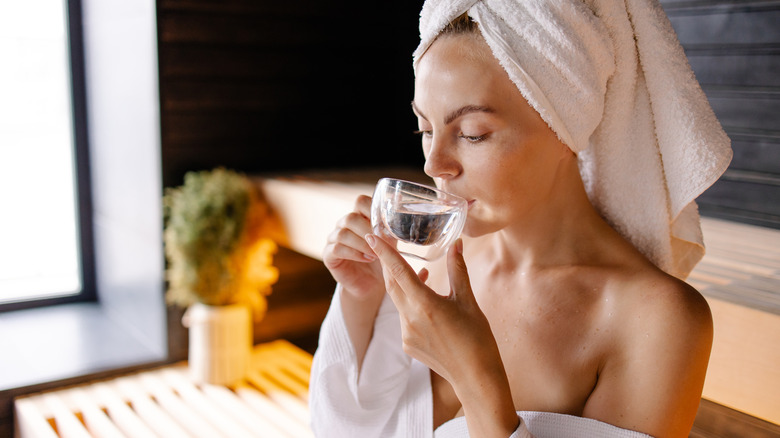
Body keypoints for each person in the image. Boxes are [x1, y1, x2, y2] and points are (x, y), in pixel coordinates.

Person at [309, 0, 732, 437]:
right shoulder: (428, 263)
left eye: (473, 134)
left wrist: (477, 382)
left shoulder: (653, 322)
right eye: (425, 129)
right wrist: (361, 302)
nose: (435, 165)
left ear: (565, 127)